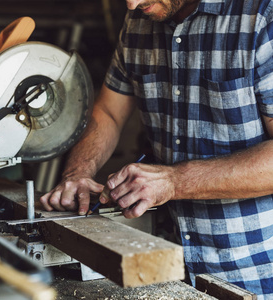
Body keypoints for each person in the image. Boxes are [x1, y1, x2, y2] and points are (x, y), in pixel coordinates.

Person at [40, 0, 273, 298]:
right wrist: (78, 173)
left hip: (253, 271)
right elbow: (108, 112)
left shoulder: (260, 17)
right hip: (164, 262)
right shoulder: (138, 20)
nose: (132, 3)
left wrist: (174, 181)